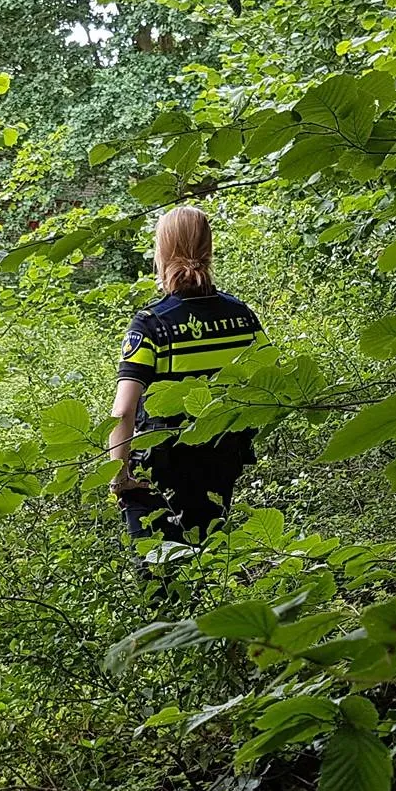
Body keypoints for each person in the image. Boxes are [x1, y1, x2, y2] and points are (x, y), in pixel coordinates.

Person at [107, 206, 263, 545]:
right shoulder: (243, 318)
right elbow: (267, 386)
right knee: (204, 564)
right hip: (221, 466)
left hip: (156, 476)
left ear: (162, 251)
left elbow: (123, 411)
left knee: (160, 581)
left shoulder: (151, 324)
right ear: (209, 249)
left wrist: (119, 477)